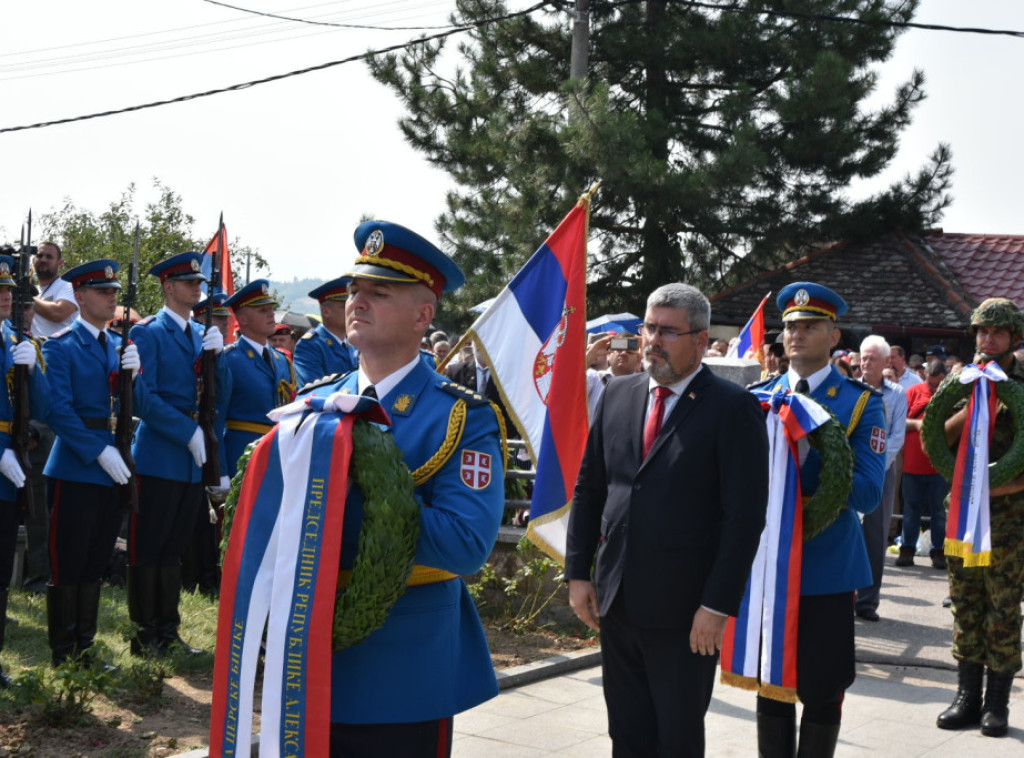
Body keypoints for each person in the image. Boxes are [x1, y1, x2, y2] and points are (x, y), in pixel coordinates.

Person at [301, 221, 506, 756]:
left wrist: (350, 496)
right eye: (354, 290)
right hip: (311, 652)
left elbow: (465, 543)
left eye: (379, 292)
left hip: (405, 664)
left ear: (423, 316)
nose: (357, 302)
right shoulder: (315, 400)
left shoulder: (460, 416)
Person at [566, 283, 770, 758]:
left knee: (675, 738)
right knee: (628, 735)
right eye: (648, 328)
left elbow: (744, 518)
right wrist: (579, 572)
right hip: (617, 603)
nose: (652, 340)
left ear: (700, 341)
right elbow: (590, 488)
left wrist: (717, 606)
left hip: (686, 613)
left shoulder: (731, 408)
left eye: (667, 332)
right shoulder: (619, 394)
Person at [751, 282, 887, 757]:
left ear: (834, 336)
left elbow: (869, 494)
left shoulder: (860, 402)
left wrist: (810, 450)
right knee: (771, 683)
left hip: (826, 568)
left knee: (823, 686)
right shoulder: (756, 398)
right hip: (768, 565)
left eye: (810, 326)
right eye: (791, 326)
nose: (797, 334)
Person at [41, 259, 146, 667]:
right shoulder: (62, 345)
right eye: (103, 291)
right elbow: (57, 411)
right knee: (68, 560)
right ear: (80, 297)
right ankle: (63, 651)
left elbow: (141, 406)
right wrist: (96, 450)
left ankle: (84, 645)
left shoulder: (118, 346)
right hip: (77, 466)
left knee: (96, 559)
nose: (112, 297)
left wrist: (136, 380)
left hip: (114, 463)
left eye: (115, 291)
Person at [127, 252, 230, 657]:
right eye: (189, 283)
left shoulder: (196, 334)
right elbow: (140, 397)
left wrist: (219, 357)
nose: (197, 289)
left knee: (173, 549)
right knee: (148, 546)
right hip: (160, 452)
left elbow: (218, 394)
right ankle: (143, 635)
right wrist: (186, 430)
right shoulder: (149, 333)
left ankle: (167, 632)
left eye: (198, 283)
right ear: (169, 288)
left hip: (191, 456)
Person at [936, 298, 1024, 737]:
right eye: (981, 333)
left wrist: (998, 487)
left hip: (1009, 519)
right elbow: (937, 438)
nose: (988, 340)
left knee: (1003, 607)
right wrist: (970, 407)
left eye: (998, 333)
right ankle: (966, 697)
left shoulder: (1023, 384)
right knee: (966, 603)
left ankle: (997, 704)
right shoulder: (960, 379)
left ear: (1014, 338)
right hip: (962, 517)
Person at [0, 254, 49, 687]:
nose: (6, 297)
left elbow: (45, 405)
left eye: (9, 291)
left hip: (12, 461)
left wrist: (33, 366)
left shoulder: (15, 338)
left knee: (1, 568)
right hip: (3, 456)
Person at [854, 335, 907, 622]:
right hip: (849, 471)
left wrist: (874, 468)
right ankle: (842, 596)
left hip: (881, 473)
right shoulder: (850, 389)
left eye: (872, 358)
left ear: (886, 361)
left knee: (875, 537)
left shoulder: (897, 394)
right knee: (845, 532)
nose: (865, 363)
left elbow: (896, 437)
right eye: (863, 357)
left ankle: (867, 601)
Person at [222, 279, 296, 477]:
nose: (271, 314)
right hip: (239, 457)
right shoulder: (229, 359)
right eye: (262, 310)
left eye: (271, 309)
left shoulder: (281, 360)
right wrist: (219, 471)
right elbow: (215, 419)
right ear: (243, 319)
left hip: (276, 455)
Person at [898, 359, 949, 568]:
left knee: (939, 512)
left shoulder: (951, 396)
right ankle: (907, 550)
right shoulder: (913, 392)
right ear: (924, 376)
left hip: (940, 467)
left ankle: (938, 552)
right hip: (913, 466)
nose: (935, 388)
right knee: (911, 511)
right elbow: (899, 422)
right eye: (931, 384)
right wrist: (917, 424)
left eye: (938, 384)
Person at [292, 276, 357, 386]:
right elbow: (314, 390)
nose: (352, 311)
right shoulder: (310, 345)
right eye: (344, 306)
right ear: (326, 311)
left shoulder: (354, 343)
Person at [31, 241, 79, 338]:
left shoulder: (69, 287)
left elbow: (58, 313)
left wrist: (27, 298)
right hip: (34, 349)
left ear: (60, 263)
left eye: (49, 257)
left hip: (60, 350)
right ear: (33, 260)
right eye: (39, 255)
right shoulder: (33, 291)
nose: (43, 260)